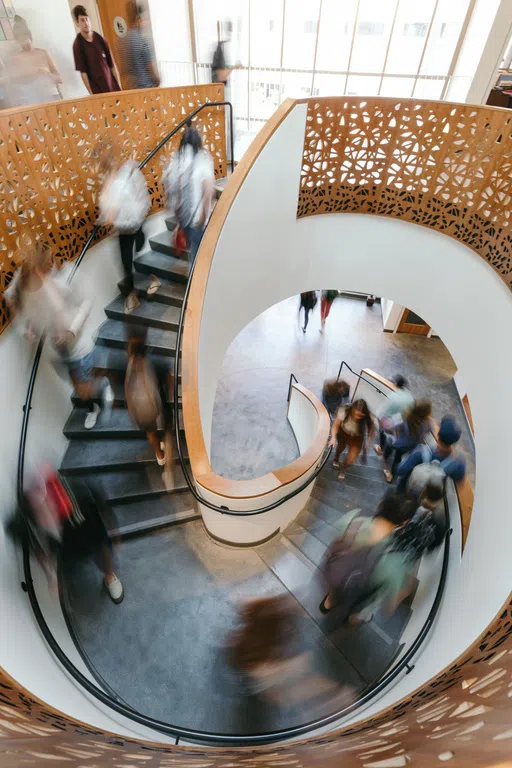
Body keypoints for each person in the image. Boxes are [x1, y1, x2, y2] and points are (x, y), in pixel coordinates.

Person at [6, 244, 113, 430]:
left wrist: (72, 329)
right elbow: (20, 314)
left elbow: (86, 301)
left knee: (85, 386)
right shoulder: (20, 290)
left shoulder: (64, 277)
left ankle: (102, 386)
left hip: (76, 343)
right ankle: (92, 406)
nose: (47, 271)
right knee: (79, 388)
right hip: (56, 349)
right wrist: (28, 331)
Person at [319, 490, 413, 623]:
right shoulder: (394, 559)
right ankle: (355, 617)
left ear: (380, 504)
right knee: (358, 601)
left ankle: (328, 603)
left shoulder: (353, 518)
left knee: (337, 583)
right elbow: (387, 606)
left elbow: (332, 535)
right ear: (404, 522)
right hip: (354, 592)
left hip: (333, 574)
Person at [98, 143, 152, 314]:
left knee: (137, 248)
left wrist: (139, 214)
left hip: (134, 222)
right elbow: (110, 206)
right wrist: (109, 220)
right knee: (125, 261)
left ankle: (146, 279)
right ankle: (132, 294)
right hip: (124, 227)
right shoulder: (111, 181)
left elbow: (140, 193)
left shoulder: (128, 172)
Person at [163, 121, 215, 266]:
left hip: (183, 216)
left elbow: (172, 186)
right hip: (197, 217)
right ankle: (196, 282)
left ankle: (194, 277)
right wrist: (204, 215)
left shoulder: (178, 159)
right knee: (198, 253)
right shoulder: (203, 159)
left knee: (194, 249)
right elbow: (207, 190)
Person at [124, 325, 166, 466]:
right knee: (152, 431)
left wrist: (132, 412)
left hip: (143, 408)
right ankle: (160, 454)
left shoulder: (134, 364)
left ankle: (159, 451)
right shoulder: (145, 363)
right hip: (148, 407)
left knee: (151, 431)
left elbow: (129, 390)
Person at [396, 415, 466, 494]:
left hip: (409, 489)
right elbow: (459, 484)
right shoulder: (458, 463)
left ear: (438, 436)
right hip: (429, 496)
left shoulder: (420, 451)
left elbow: (400, 470)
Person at [9, 17, 62, 106]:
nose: (25, 42)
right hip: (33, 100)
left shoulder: (43, 53)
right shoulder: (17, 58)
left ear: (29, 36)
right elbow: (17, 83)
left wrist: (47, 74)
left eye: (25, 38)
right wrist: (35, 72)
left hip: (53, 96)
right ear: (17, 41)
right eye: (21, 39)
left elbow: (59, 79)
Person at [378, 399, 433, 483]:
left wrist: (385, 425)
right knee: (398, 458)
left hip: (399, 442)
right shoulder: (428, 423)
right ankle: (392, 475)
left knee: (390, 442)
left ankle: (385, 456)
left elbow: (389, 425)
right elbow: (427, 432)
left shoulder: (405, 416)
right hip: (411, 446)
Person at [72, 5, 121, 95]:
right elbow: (83, 73)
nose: (86, 23)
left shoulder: (100, 39)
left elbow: (112, 65)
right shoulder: (78, 45)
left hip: (113, 88)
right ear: (77, 23)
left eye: (87, 19)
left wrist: (119, 87)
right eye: (82, 20)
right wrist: (91, 94)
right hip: (97, 92)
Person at [329, 398, 374, 481]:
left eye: (360, 416)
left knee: (351, 459)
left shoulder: (367, 416)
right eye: (356, 414)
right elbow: (335, 425)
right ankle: (336, 459)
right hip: (344, 432)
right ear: (353, 408)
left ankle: (342, 470)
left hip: (357, 437)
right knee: (341, 447)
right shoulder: (345, 410)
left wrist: (369, 441)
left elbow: (371, 426)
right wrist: (333, 437)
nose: (358, 417)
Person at [123, 2, 160, 90]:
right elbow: (150, 66)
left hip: (132, 89)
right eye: (144, 19)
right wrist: (158, 80)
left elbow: (124, 71)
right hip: (147, 88)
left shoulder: (122, 41)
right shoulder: (142, 40)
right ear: (138, 19)